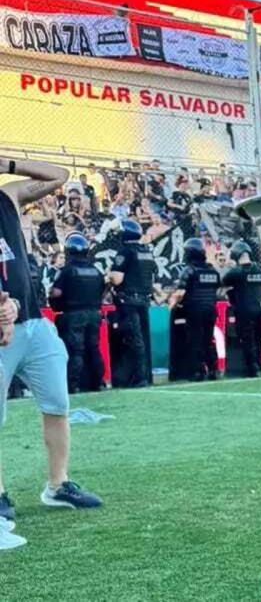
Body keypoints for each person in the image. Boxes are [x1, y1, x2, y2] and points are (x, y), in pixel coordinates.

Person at [0, 156, 103, 549]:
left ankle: (57, 485)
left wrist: (9, 162)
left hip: (33, 321)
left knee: (57, 403)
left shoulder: (7, 196)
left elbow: (59, 176)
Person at [48, 233, 106, 393]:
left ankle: (72, 385)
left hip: (74, 315)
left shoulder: (67, 270)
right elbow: (103, 288)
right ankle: (98, 382)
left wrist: (51, 292)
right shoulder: (95, 270)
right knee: (93, 348)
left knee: (75, 351)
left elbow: (56, 293)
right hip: (94, 314)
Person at [106, 218, 155, 389]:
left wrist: (107, 276)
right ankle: (146, 376)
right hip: (144, 299)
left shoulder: (125, 252)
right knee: (143, 339)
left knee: (134, 341)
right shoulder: (147, 251)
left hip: (128, 301)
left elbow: (117, 279)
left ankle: (137, 378)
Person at [168, 238, 220, 382]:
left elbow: (180, 293)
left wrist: (171, 305)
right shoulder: (212, 271)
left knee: (195, 340)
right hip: (211, 310)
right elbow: (218, 288)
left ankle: (198, 371)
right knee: (209, 340)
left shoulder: (189, 270)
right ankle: (214, 370)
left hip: (194, 310)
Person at [221, 241, 261, 377]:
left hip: (244, 310)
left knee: (248, 339)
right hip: (260, 309)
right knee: (258, 338)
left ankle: (252, 369)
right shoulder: (260, 270)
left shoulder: (235, 273)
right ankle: (259, 365)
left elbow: (223, 282)